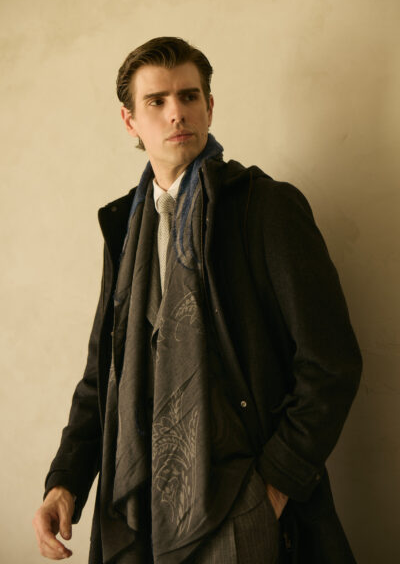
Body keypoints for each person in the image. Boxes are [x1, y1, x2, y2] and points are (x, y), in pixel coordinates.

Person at [33, 37, 362, 563]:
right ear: (130, 121)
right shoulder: (125, 227)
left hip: (243, 508)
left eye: (189, 96)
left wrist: (273, 489)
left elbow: (330, 362)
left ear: (209, 106)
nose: (176, 113)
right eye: (156, 101)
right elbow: (104, 373)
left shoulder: (264, 208)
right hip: (138, 512)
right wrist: (65, 481)